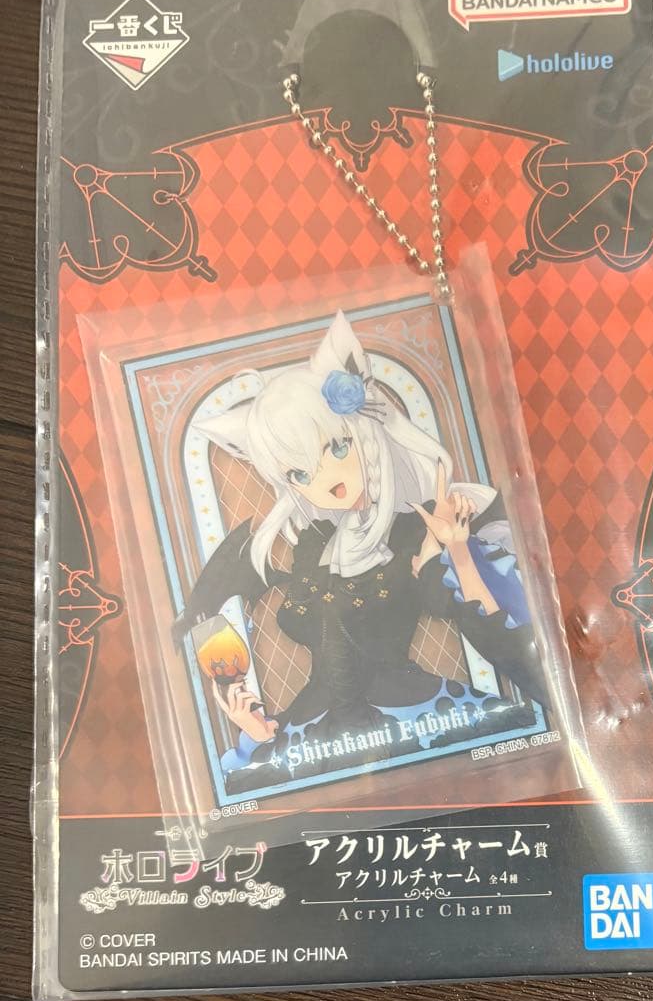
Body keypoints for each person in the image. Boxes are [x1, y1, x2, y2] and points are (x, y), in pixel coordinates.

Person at [174, 312, 548, 787]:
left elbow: (492, 629)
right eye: (299, 474)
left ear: (364, 433)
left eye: (336, 447)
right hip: (317, 732)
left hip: (414, 716)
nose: (325, 481)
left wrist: (457, 550)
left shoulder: (413, 530)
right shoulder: (307, 545)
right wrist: (256, 730)